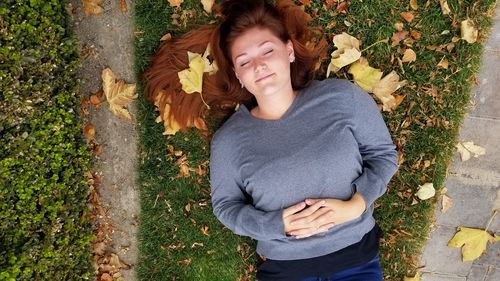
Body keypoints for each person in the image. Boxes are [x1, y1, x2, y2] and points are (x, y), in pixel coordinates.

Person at [144, 0, 399, 280]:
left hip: (356, 259)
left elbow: (383, 156)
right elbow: (226, 208)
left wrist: (357, 204)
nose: (259, 65)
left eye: (267, 51)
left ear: (288, 51)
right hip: (285, 269)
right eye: (244, 61)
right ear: (238, 75)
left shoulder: (341, 98)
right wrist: (277, 224)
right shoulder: (229, 141)